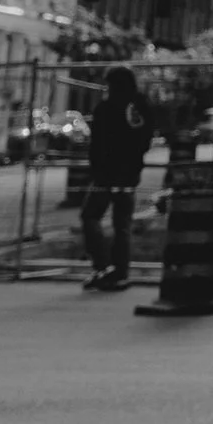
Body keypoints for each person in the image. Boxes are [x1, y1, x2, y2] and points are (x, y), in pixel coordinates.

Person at [82, 67, 153, 291]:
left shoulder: (105, 108)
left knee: (90, 216)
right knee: (122, 225)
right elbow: (145, 139)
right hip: (128, 175)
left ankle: (102, 266)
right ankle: (119, 271)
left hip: (105, 174)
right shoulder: (140, 107)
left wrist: (96, 170)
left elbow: (97, 144)